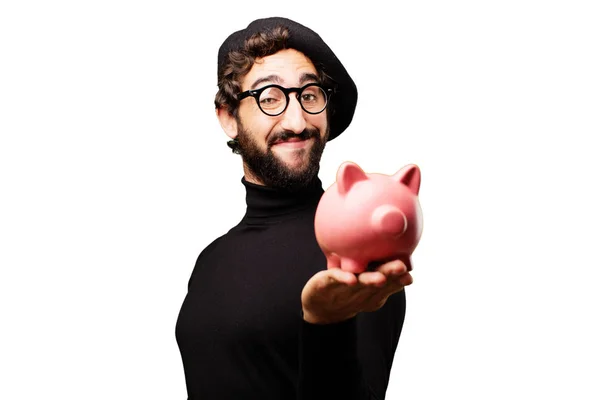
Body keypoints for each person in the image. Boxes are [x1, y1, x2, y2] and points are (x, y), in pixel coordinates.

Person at [175, 16, 414, 400]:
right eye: (269, 97)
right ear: (227, 117)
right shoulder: (210, 261)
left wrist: (326, 322)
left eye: (310, 95)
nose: (297, 120)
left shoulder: (358, 251)